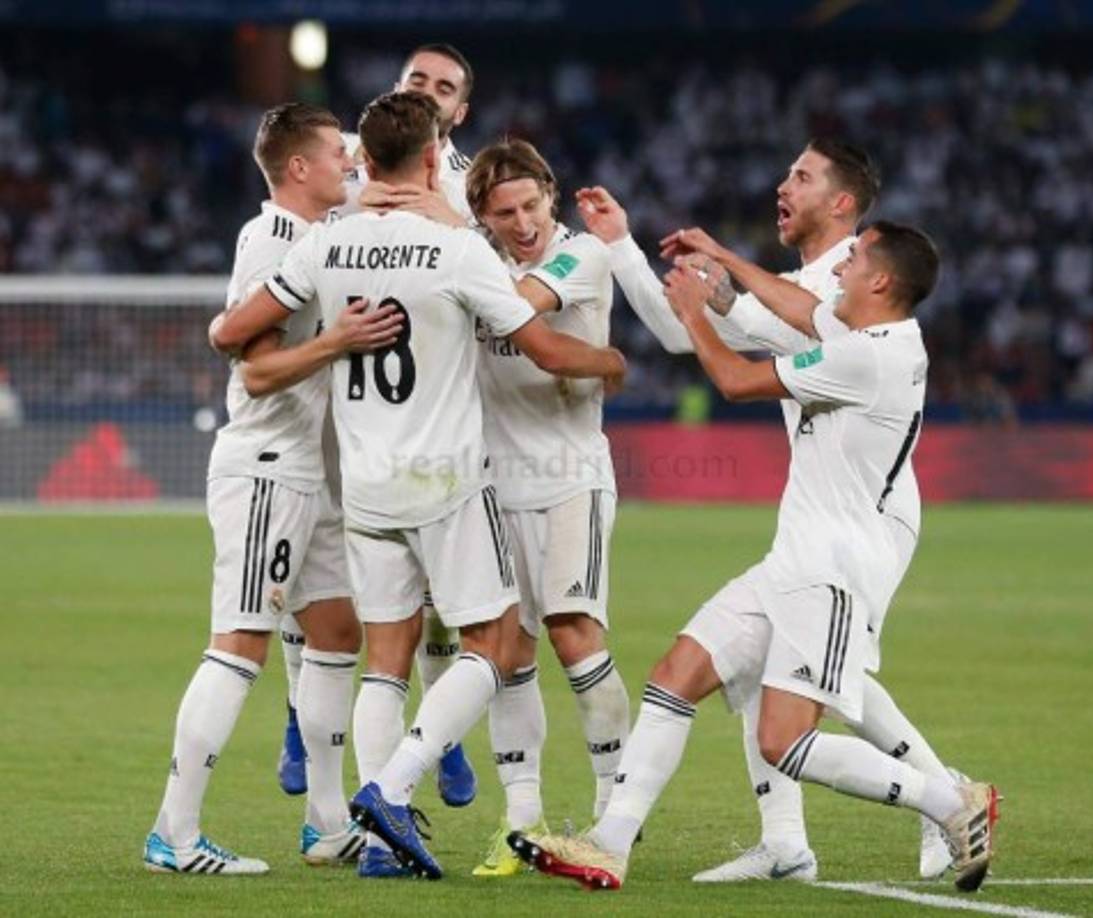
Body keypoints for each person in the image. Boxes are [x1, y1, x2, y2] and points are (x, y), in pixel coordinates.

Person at [511, 222, 1000, 893]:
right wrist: (722, 263)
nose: (841, 268)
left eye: (854, 259)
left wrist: (694, 315)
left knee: (785, 744)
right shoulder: (878, 335)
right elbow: (801, 309)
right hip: (790, 562)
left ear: (881, 281)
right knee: (675, 674)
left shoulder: (867, 358)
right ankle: (608, 845)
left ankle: (950, 801)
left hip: (829, 571)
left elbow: (739, 380)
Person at [236, 91, 625, 880]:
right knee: (495, 642)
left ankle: (381, 847)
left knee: (387, 659)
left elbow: (236, 332)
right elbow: (545, 349)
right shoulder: (458, 250)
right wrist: (610, 362)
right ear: (427, 161)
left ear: (363, 162)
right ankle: (391, 787)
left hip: (366, 484)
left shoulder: (327, 244)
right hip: (446, 480)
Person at [143, 103, 396, 875]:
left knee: (337, 633)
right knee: (242, 643)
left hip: (315, 478)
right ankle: (174, 834)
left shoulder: (317, 236)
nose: (347, 165)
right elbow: (251, 365)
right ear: (297, 169)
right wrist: (337, 342)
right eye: (333, 154)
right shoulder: (273, 239)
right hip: (267, 468)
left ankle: (325, 822)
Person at [279, 42, 481, 807]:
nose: (430, 90)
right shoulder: (340, 163)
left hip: (425, 405)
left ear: (461, 111)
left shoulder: (465, 184)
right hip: (332, 402)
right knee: (315, 570)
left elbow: (499, 264)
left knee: (425, 593)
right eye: (418, 79)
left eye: (445, 86)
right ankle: (298, 718)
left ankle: (440, 737)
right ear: (399, 89)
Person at [457, 139, 630, 876]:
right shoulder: (471, 256)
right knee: (506, 652)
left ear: (550, 197)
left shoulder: (581, 254)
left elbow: (518, 312)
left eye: (531, 205)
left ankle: (613, 811)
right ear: (485, 217)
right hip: (495, 482)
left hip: (570, 478)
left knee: (573, 632)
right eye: (505, 212)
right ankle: (519, 821)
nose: (523, 222)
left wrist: (458, 274)